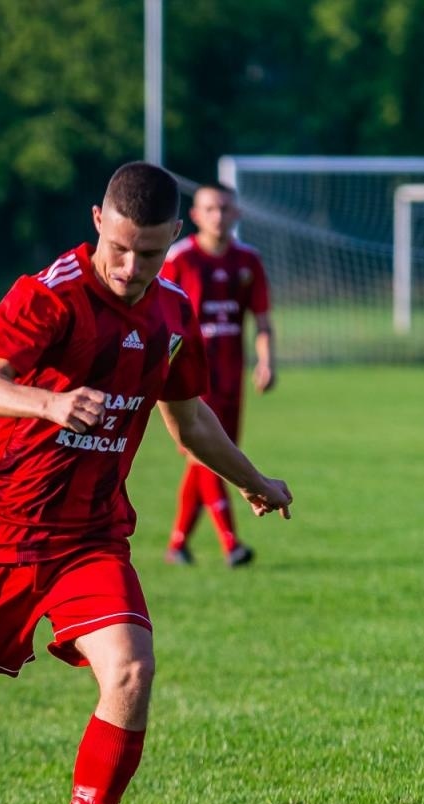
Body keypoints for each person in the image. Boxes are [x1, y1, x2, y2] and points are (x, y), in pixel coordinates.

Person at [0, 162, 293, 804]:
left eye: (148, 253)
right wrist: (49, 406)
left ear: (172, 240)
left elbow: (190, 420)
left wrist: (251, 477)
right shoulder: (47, 296)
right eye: (119, 247)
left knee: (131, 671)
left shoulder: (173, 314)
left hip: (88, 537)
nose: (130, 267)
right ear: (97, 221)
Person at [159, 182, 277, 567]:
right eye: (210, 208)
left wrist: (266, 361)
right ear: (194, 216)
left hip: (230, 376)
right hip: (188, 376)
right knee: (204, 452)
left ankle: (178, 544)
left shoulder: (248, 261)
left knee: (213, 456)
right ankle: (232, 544)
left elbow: (261, 320)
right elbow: (159, 319)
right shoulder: (179, 260)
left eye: (225, 208)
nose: (218, 215)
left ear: (236, 214)